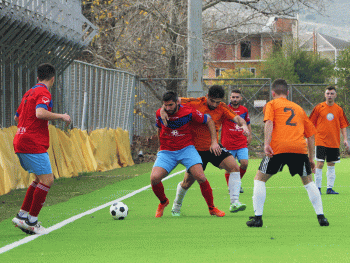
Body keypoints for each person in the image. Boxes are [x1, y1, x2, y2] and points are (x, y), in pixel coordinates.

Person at [246, 78, 329, 227]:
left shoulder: (271, 104)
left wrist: (266, 144)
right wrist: (311, 158)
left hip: (277, 148)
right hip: (298, 148)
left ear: (273, 92)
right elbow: (310, 136)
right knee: (308, 182)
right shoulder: (298, 108)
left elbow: (269, 122)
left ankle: (258, 218)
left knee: (259, 179)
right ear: (288, 92)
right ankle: (321, 217)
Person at [162, 85, 250, 216]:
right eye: (212, 101)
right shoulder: (195, 102)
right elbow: (173, 101)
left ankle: (234, 202)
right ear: (207, 96)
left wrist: (244, 126)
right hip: (195, 151)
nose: (215, 104)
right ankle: (176, 206)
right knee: (187, 183)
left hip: (213, 147)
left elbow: (237, 118)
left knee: (235, 168)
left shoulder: (222, 107)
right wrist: (163, 109)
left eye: (217, 101)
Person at [12, 63, 71, 234]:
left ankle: (22, 215)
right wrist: (61, 116)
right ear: (53, 78)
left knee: (39, 179)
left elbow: (17, 117)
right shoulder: (43, 92)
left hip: (21, 140)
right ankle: (32, 221)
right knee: (48, 180)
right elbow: (40, 113)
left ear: (38, 77)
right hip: (33, 143)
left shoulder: (29, 92)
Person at [151, 91, 225, 218]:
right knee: (154, 178)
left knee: (201, 177)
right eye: (165, 106)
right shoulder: (160, 113)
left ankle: (212, 208)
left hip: (186, 149)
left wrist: (214, 142)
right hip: (167, 151)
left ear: (177, 102)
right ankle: (163, 202)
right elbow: (159, 129)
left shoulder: (189, 112)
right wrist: (160, 146)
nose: (168, 108)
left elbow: (209, 120)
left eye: (170, 105)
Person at [309, 86, 349, 195]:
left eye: (332, 93)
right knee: (320, 163)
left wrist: (345, 139)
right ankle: (317, 188)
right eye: (328, 93)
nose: (329, 95)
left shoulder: (339, 109)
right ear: (324, 94)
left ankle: (329, 188)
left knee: (331, 164)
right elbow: (310, 123)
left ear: (335, 95)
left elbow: (343, 125)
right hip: (320, 140)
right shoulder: (319, 107)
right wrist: (310, 135)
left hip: (334, 142)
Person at [221, 89, 252, 193]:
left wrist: (249, 135)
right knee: (229, 167)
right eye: (233, 97)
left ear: (241, 98)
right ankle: (231, 187)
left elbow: (247, 123)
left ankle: (236, 183)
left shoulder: (244, 110)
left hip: (241, 141)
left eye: (237, 97)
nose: (235, 99)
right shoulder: (225, 109)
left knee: (244, 163)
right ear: (230, 98)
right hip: (228, 142)